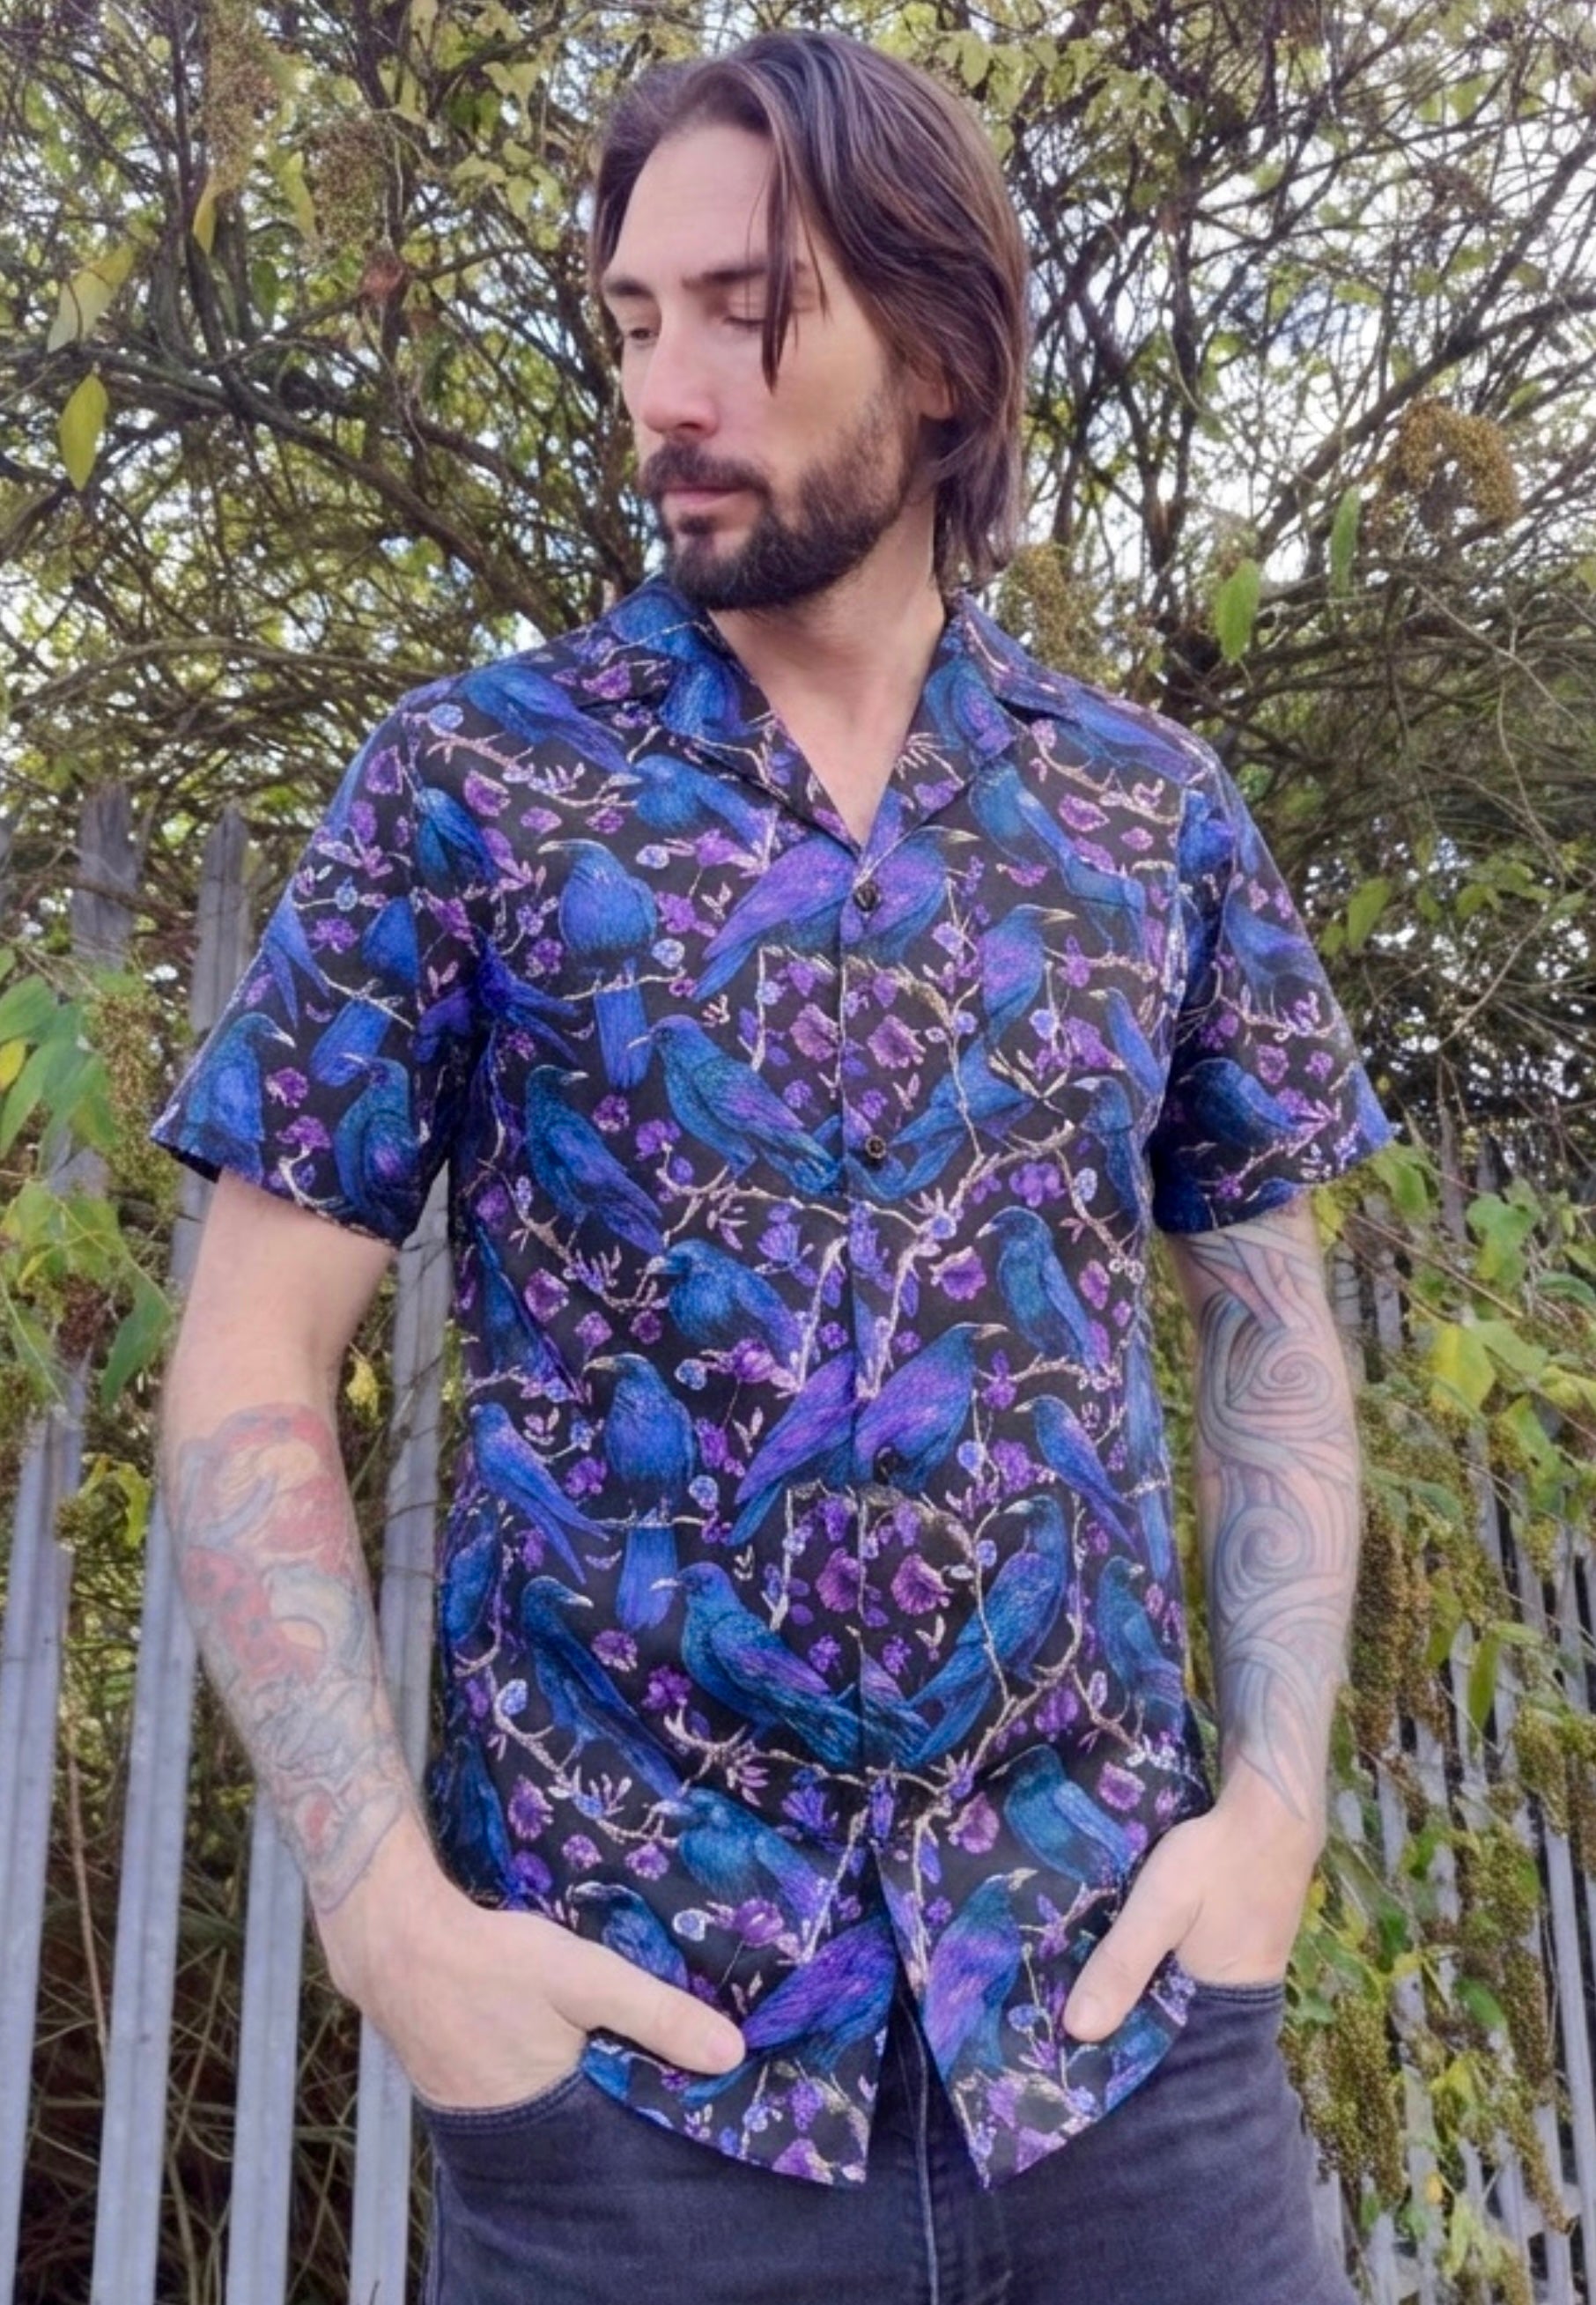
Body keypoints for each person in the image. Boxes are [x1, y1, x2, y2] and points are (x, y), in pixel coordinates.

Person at [147, 27, 1396, 2305]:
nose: (667, 390)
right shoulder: (471, 788)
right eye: (635, 321)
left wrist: (1275, 1812)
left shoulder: (1147, 817)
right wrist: (386, 1916)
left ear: (941, 354)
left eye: (747, 313)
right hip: (644, 2099)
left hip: (1122, 2058)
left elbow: (1274, 1327)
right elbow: (249, 1360)